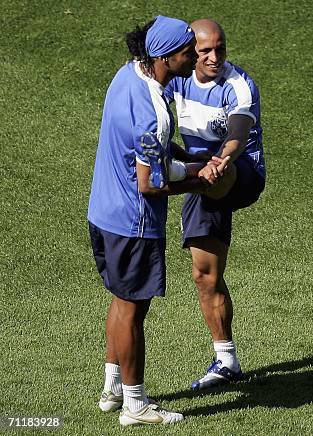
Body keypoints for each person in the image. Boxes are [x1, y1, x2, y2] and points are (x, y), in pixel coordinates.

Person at [88, 16, 228, 426]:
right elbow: (149, 184)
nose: (195, 59)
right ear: (167, 56)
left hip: (102, 211)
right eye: (189, 53)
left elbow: (152, 150)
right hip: (133, 223)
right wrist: (199, 182)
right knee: (133, 310)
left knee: (123, 300)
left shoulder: (127, 74)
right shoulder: (153, 111)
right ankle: (136, 406)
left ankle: (113, 388)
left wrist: (186, 160)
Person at [164, 18, 266, 389]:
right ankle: (227, 361)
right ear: (190, 53)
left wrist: (222, 158)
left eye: (220, 48)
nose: (214, 57)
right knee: (204, 275)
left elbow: (239, 130)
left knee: (212, 175)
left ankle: (169, 180)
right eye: (205, 51)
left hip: (239, 174)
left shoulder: (238, 84)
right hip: (200, 177)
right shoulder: (176, 78)